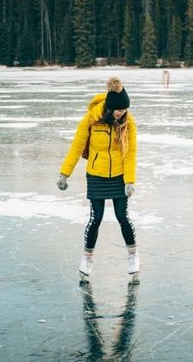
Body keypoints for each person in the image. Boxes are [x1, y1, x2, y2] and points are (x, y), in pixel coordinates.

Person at [57, 77, 139, 280]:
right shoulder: (91, 119)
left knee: (122, 217)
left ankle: (133, 254)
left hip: (119, 176)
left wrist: (130, 180)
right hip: (96, 175)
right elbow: (76, 147)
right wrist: (64, 173)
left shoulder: (128, 123)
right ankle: (87, 257)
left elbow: (130, 153)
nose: (122, 113)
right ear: (110, 108)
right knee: (96, 218)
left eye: (125, 109)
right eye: (119, 110)